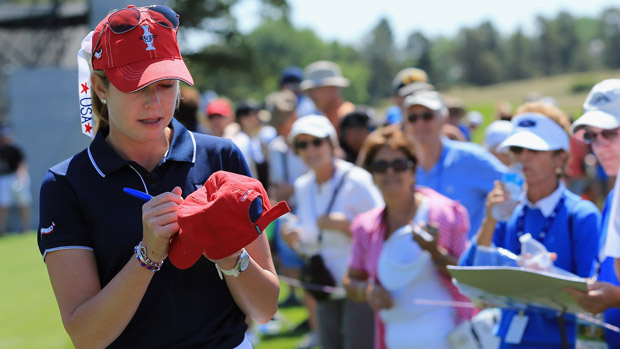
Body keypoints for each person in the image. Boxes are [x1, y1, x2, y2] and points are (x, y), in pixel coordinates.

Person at [37, 6, 278, 348]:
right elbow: (87, 337)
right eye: (135, 86)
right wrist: (147, 255)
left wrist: (228, 253)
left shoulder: (222, 157)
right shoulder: (66, 184)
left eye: (166, 84)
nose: (154, 102)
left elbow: (265, 309)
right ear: (100, 88)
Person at [460, 105, 601, 348]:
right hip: (507, 340)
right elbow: (469, 279)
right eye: (516, 149)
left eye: (534, 149)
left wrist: (549, 277)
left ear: (560, 157)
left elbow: (593, 294)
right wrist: (490, 220)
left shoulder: (581, 214)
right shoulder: (508, 210)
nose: (523, 157)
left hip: (560, 341)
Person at [345, 126, 472, 349]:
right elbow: (350, 281)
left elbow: (469, 277)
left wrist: (435, 252)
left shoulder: (444, 213)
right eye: (381, 166)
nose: (390, 173)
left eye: (399, 164)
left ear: (413, 171)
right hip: (394, 339)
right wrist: (368, 291)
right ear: (372, 175)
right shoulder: (366, 226)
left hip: (450, 338)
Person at [282, 114, 383, 349]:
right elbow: (311, 240)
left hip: (358, 286)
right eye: (302, 144)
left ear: (331, 143)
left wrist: (346, 226)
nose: (310, 149)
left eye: (317, 142)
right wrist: (294, 239)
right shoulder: (302, 185)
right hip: (324, 285)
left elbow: (382, 232)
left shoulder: (357, 180)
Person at [402, 90, 506, 238]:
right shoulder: (402, 167)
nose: (420, 123)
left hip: (468, 260)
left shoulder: (470, 157)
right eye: (413, 118)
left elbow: (515, 187)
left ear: (444, 119)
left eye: (427, 116)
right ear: (406, 124)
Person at [564, 79, 620, 347]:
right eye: (591, 136)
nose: (599, 146)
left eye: (610, 132)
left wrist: (616, 298)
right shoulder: (613, 195)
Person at [300, 61, 355, 134]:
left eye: (314, 89)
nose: (310, 95)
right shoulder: (328, 117)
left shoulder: (345, 118)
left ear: (331, 88)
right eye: (309, 91)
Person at [0, 126, 32, 233]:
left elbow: (21, 164)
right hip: (4, 177)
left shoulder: (16, 148)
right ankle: (1, 230)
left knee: (23, 204)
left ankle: (25, 228)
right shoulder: (1, 148)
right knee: (3, 204)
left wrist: (21, 179)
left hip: (15, 177)